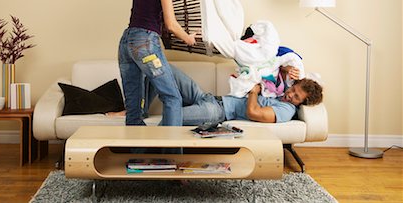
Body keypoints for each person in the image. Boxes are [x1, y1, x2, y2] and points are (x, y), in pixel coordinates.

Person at [118, 0, 198, 126]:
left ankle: (137, 154)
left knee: (134, 106)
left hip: (126, 42)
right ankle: (171, 154)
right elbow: (171, 24)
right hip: (145, 45)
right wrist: (188, 39)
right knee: (172, 98)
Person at [108, 65, 323, 125]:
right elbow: (280, 61)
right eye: (293, 90)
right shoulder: (282, 88)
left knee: (169, 118)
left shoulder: (286, 110)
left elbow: (254, 113)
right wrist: (284, 69)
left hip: (216, 112)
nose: (289, 95)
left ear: (302, 103)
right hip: (209, 97)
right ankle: (139, 110)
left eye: (295, 97)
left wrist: (254, 91)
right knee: (162, 67)